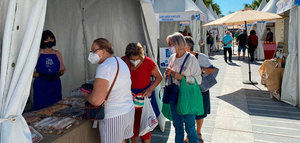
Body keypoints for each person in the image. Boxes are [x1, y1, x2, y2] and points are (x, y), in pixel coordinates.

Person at [84, 38, 135, 143]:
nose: (91, 54)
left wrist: (85, 95)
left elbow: (96, 100)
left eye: (94, 50)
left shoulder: (104, 67)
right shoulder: (120, 61)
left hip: (114, 116)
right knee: (122, 140)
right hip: (127, 110)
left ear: (103, 51)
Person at [121, 43, 163, 143]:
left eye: (137, 59)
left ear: (142, 56)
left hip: (145, 99)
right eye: (132, 59)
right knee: (132, 129)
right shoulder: (123, 61)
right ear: (127, 57)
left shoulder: (148, 62)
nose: (135, 62)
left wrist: (150, 89)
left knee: (145, 128)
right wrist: (125, 92)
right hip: (129, 100)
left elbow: (159, 77)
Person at [165, 32, 201, 143]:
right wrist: (168, 74)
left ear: (178, 44)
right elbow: (170, 74)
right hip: (174, 96)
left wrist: (180, 77)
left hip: (187, 98)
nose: (169, 47)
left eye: (170, 44)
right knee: (177, 127)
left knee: (190, 128)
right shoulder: (172, 57)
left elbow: (198, 80)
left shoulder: (191, 59)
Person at [184, 36, 215, 143]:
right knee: (188, 112)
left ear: (187, 47)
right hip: (187, 89)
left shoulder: (200, 57)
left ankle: (198, 132)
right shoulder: (180, 57)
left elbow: (212, 69)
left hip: (201, 89)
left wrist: (200, 70)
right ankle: (190, 134)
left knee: (200, 113)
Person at [33, 30, 66, 110]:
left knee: (56, 107)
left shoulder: (57, 53)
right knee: (41, 109)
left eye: (51, 38)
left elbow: (62, 70)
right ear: (42, 40)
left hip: (55, 85)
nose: (49, 41)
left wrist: (56, 74)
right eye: (46, 39)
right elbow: (29, 72)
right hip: (41, 85)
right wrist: (41, 75)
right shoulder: (38, 53)